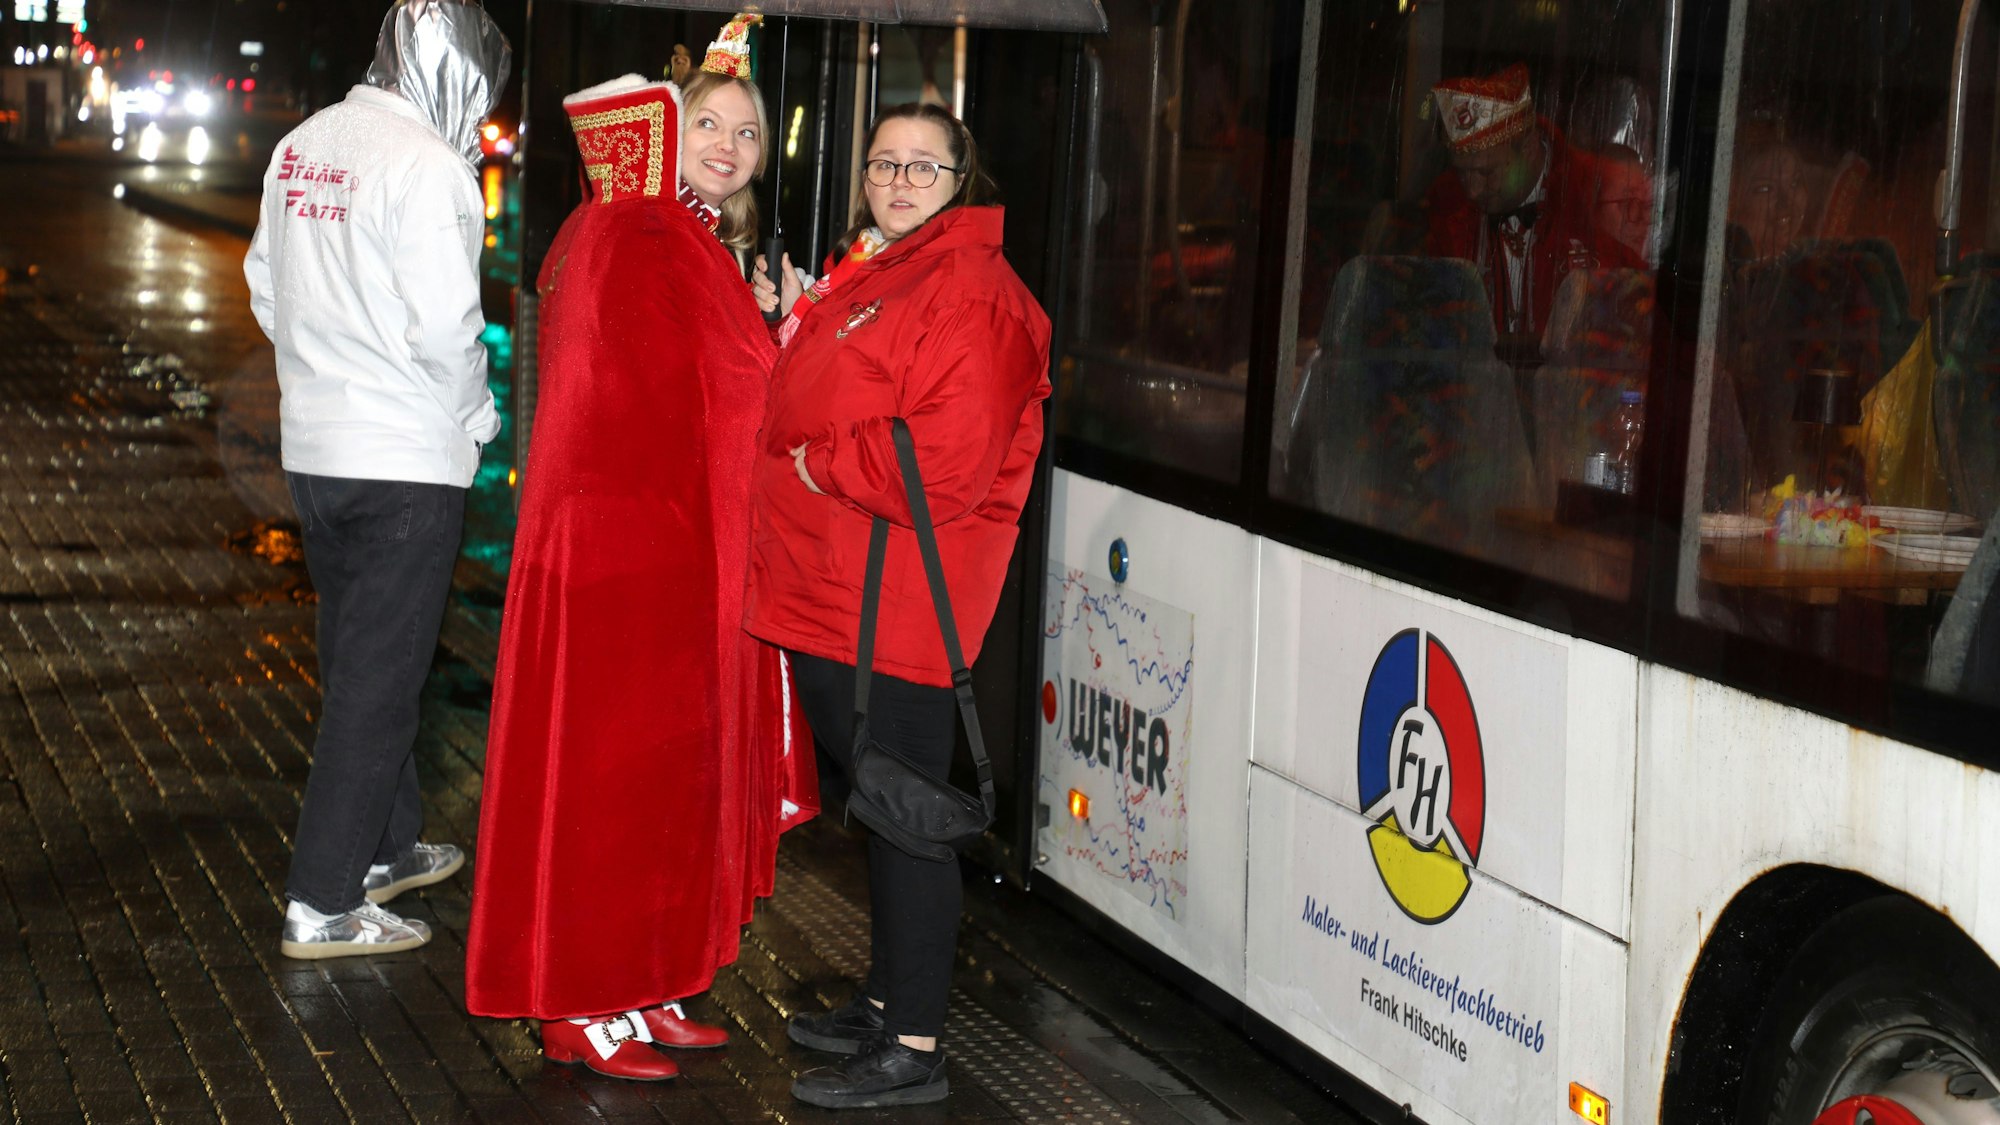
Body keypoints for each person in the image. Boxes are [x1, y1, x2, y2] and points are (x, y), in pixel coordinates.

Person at [463, 14, 816, 1084]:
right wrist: (793, 337)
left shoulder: (641, 229)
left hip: (641, 555)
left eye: (749, 133)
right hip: (634, 566)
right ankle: (584, 999)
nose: (731, 145)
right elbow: (742, 397)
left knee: (652, 780)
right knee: (615, 782)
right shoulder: (650, 234)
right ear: (666, 128)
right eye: (709, 122)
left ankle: (645, 976)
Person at [744, 103, 1052, 1109]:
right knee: (878, 811)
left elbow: (945, 462)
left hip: (899, 611)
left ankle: (913, 1047)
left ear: (964, 176)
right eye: (884, 160)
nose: (901, 177)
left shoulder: (974, 290)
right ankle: (883, 1005)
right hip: (842, 595)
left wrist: (814, 462)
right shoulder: (889, 264)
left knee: (909, 821)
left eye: (925, 164)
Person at [243, 0, 509, 960]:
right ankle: (324, 899)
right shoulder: (431, 169)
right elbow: (448, 333)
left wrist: (326, 364)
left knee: (360, 659)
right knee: (381, 682)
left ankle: (387, 846)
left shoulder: (303, 143)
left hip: (316, 453)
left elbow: (265, 285)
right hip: (404, 463)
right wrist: (477, 419)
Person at [1422, 64, 1645, 348]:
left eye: (1487, 173)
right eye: (1462, 173)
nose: (1473, 190)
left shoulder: (1596, 195)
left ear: (1527, 147)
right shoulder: (1447, 207)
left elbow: (1633, 314)